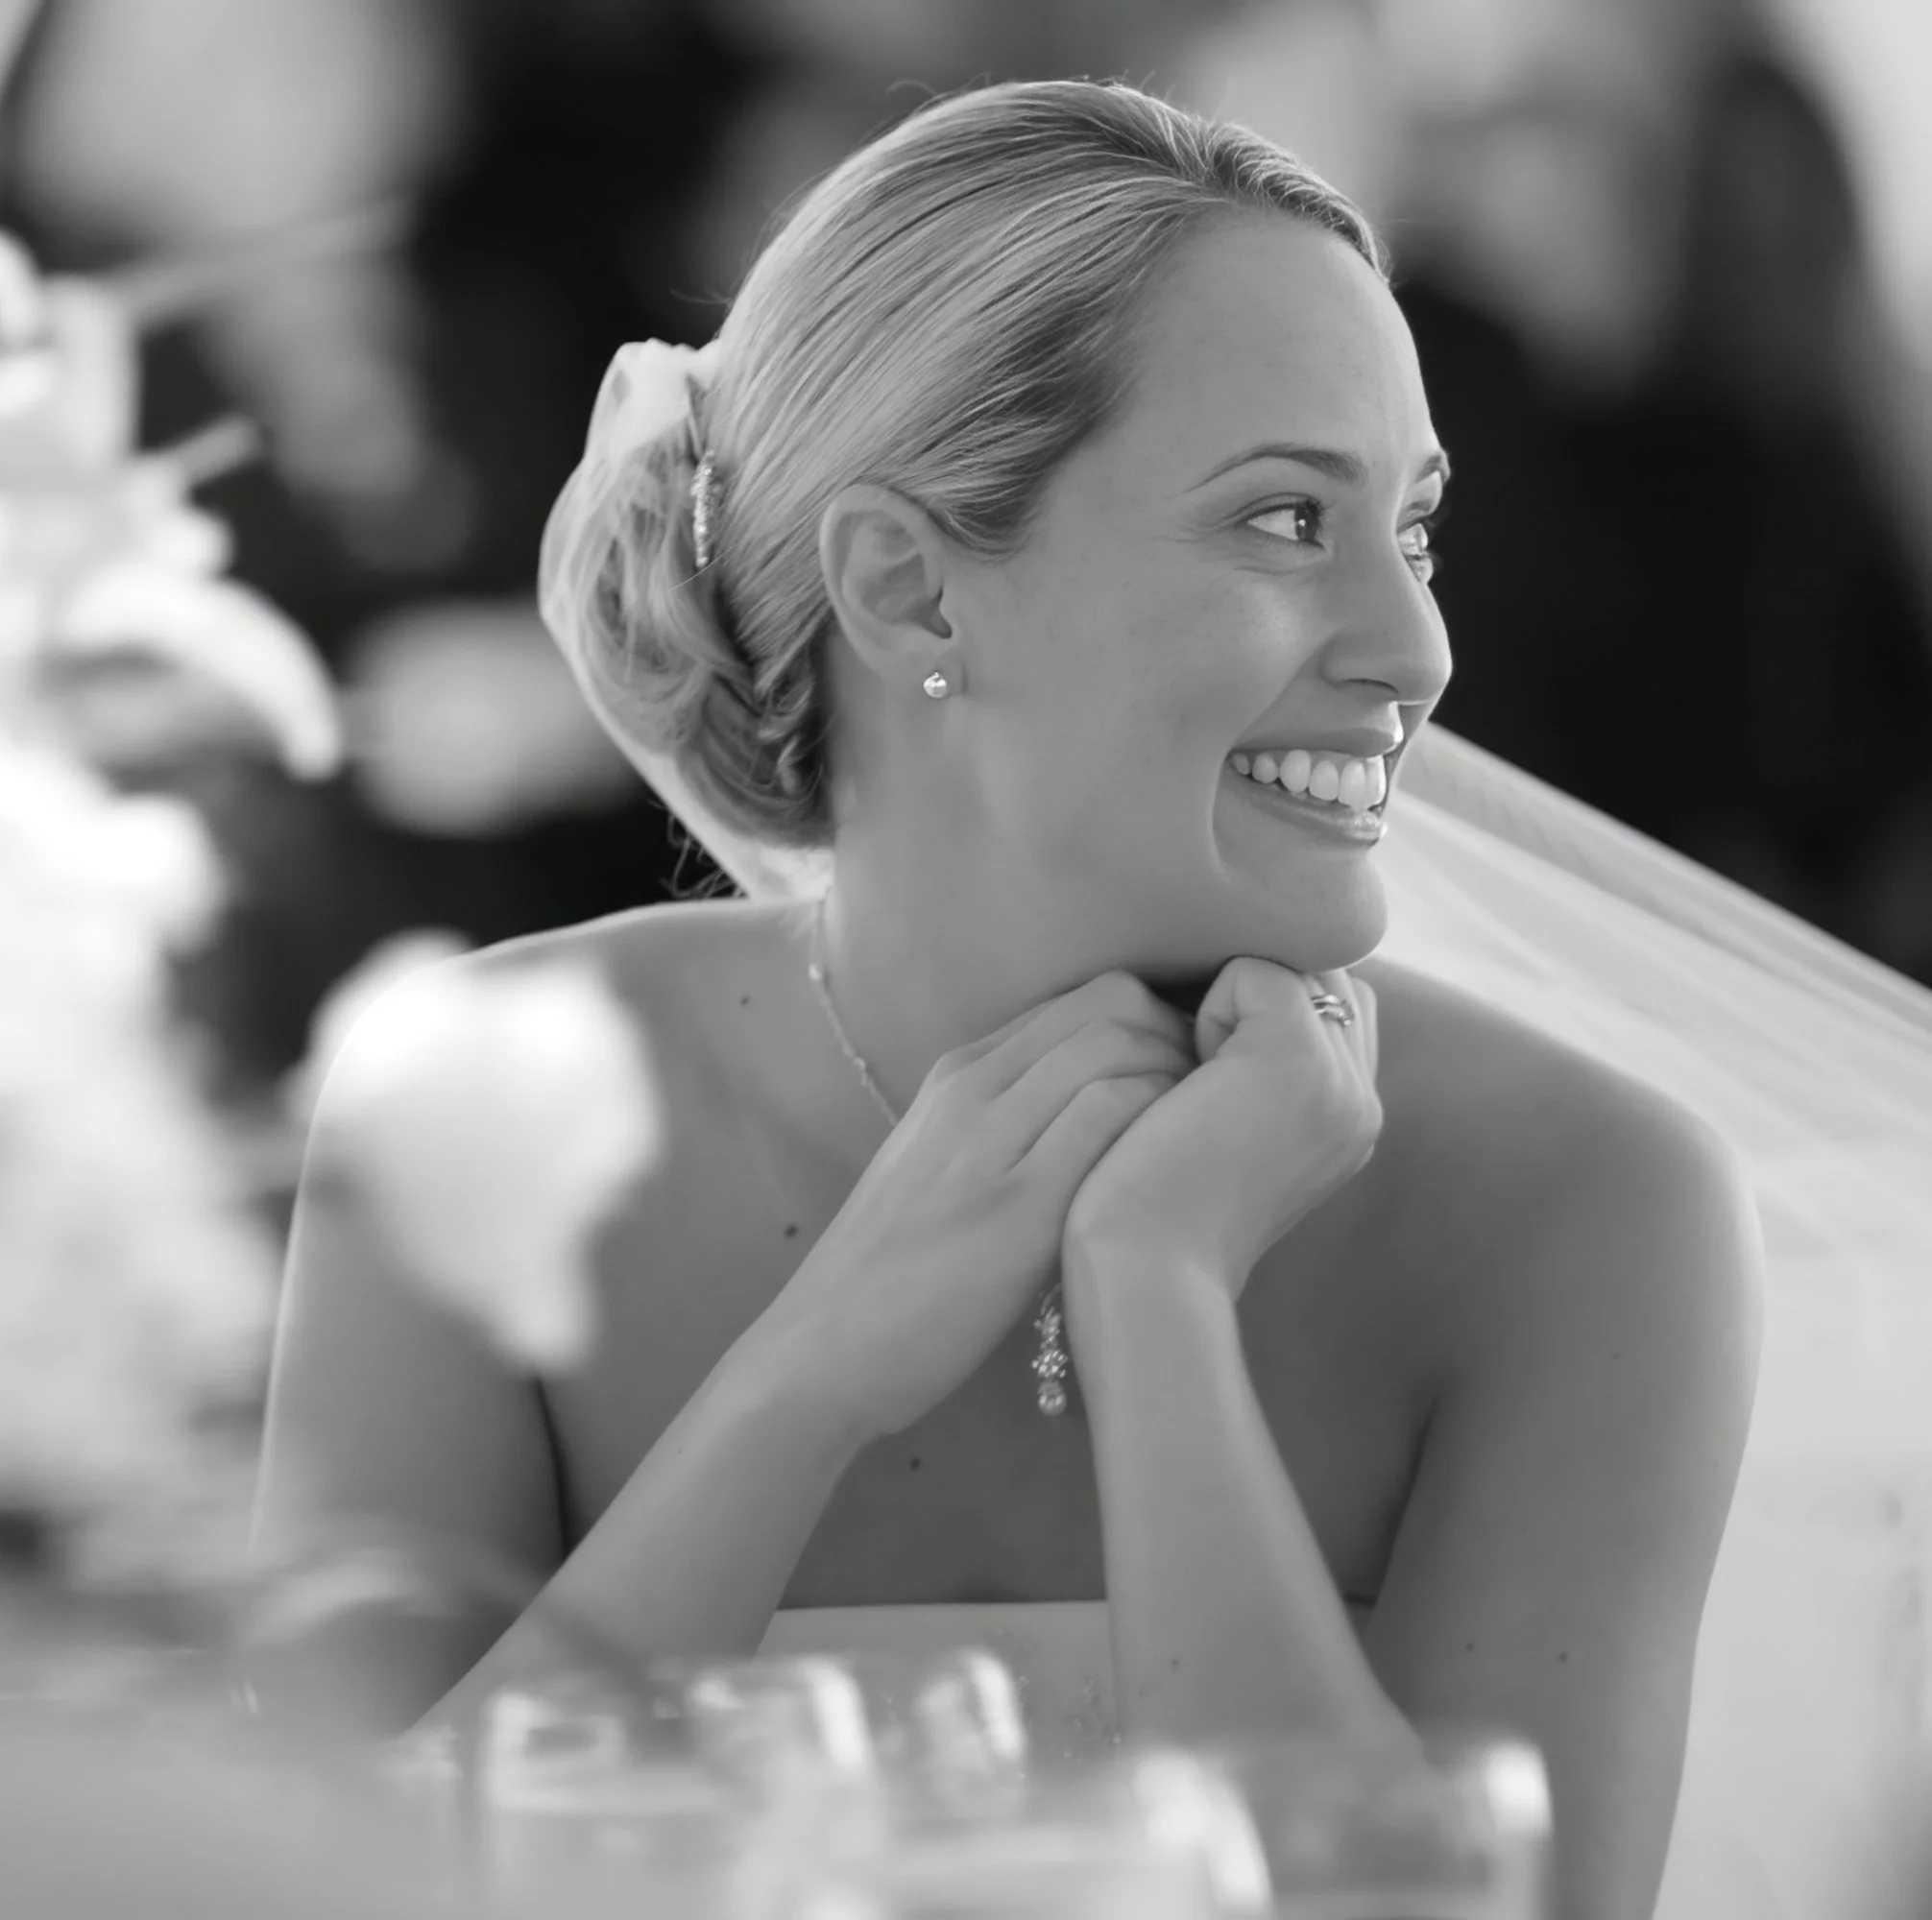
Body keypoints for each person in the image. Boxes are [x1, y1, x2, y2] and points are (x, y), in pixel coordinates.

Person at [257, 82, 1775, 1920]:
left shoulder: (1589, 1206)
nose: (1420, 647)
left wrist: (1158, 1305)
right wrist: (807, 1383)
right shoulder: (470, 1107)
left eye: (1417, 531)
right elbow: (322, 1884)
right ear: (910, 589)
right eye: (1290, 520)